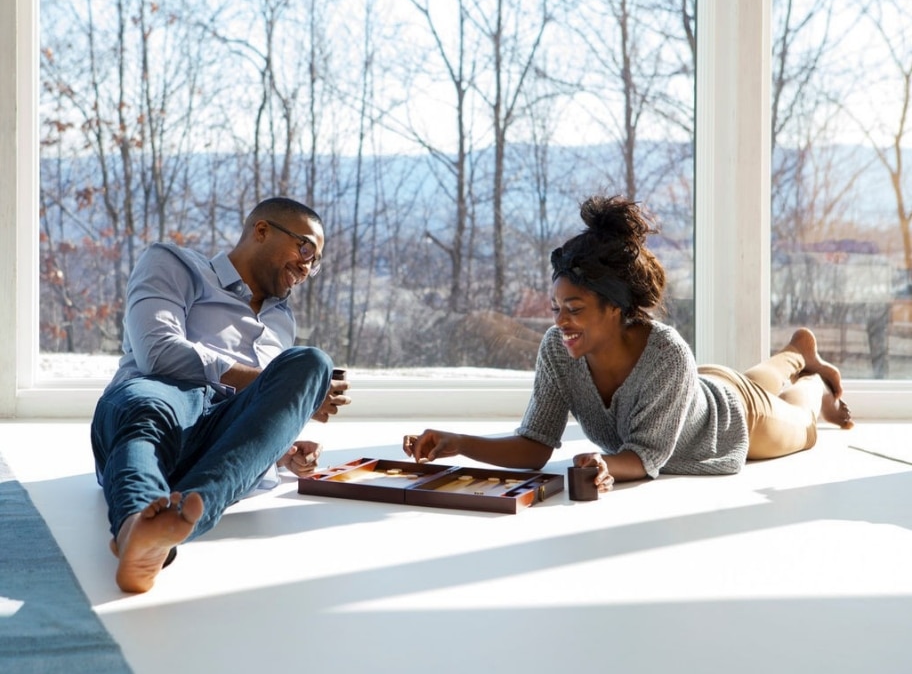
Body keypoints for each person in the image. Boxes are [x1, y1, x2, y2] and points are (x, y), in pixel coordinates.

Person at [404, 194, 853, 495]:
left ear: (616, 309)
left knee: (803, 423)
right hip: (696, 385)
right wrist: (459, 442)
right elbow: (536, 444)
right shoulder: (559, 349)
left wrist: (606, 464)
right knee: (753, 378)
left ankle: (815, 381)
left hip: (733, 420)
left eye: (574, 308)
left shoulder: (667, 352)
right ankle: (798, 349)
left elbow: (642, 457)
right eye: (556, 306)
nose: (560, 321)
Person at [90, 196, 350, 593]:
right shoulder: (175, 264)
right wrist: (264, 381)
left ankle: (173, 524)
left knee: (312, 363)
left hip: (217, 438)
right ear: (262, 230)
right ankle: (135, 525)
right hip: (163, 396)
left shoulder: (283, 319)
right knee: (150, 408)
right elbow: (157, 351)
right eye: (306, 248)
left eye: (315, 262)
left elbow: (246, 409)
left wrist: (281, 449)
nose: (307, 266)